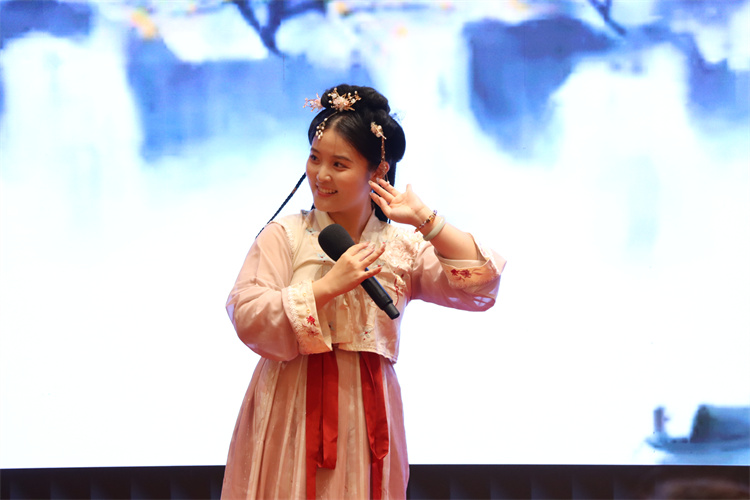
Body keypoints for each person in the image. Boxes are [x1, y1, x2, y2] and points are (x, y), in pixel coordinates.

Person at [220, 84, 506, 500]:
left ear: (377, 171)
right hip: (290, 407)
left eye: (339, 164)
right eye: (315, 158)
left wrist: (425, 220)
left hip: (368, 412)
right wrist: (324, 288)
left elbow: (480, 281)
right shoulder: (286, 235)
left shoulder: (399, 246)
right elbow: (247, 312)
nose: (321, 175)